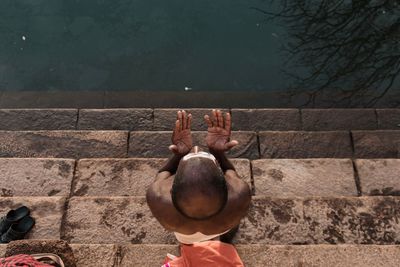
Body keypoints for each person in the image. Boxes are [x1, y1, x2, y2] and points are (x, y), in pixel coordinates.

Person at [146, 109, 251, 245]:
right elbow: (230, 170)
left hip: (183, 234)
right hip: (224, 223)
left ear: (171, 190)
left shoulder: (158, 197)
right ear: (226, 186)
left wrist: (178, 155)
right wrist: (217, 152)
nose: (196, 147)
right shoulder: (240, 195)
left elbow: (163, 173)